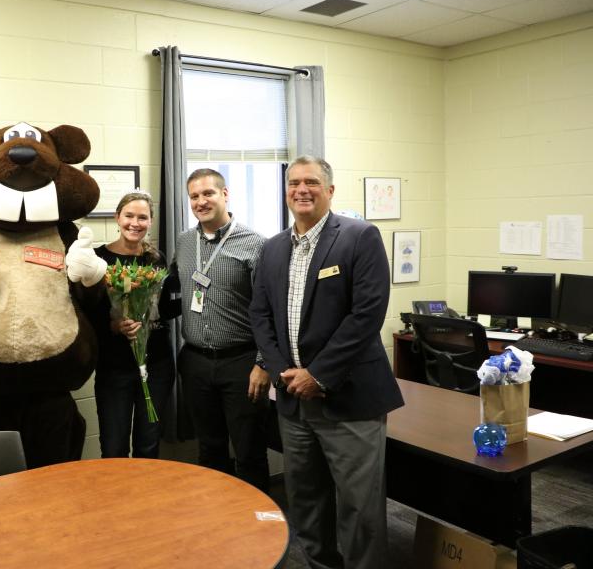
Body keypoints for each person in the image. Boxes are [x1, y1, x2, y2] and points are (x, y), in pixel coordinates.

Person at [249, 156, 404, 569]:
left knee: (359, 508)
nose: (302, 189)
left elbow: (367, 314)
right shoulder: (273, 247)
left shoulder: (358, 237)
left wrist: (319, 374)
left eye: (312, 182)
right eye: (294, 182)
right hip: (294, 402)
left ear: (330, 191)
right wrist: (285, 372)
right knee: (306, 500)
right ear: (286, 192)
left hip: (348, 400)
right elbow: (260, 315)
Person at [167, 168, 270, 492]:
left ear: (225, 194)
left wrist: (263, 364)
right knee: (209, 447)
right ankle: (219, 521)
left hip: (241, 363)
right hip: (195, 361)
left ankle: (259, 527)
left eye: (208, 193)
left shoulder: (255, 244)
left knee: (248, 450)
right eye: (194, 196)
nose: (201, 201)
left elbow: (270, 311)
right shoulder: (184, 243)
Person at [91, 190, 175, 458]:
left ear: (151, 221)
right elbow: (86, 314)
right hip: (114, 368)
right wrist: (114, 327)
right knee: (114, 446)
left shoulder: (156, 260)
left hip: (156, 365)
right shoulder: (97, 260)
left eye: (142, 217)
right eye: (129, 216)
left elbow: (166, 308)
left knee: (148, 444)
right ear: (117, 217)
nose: (134, 223)